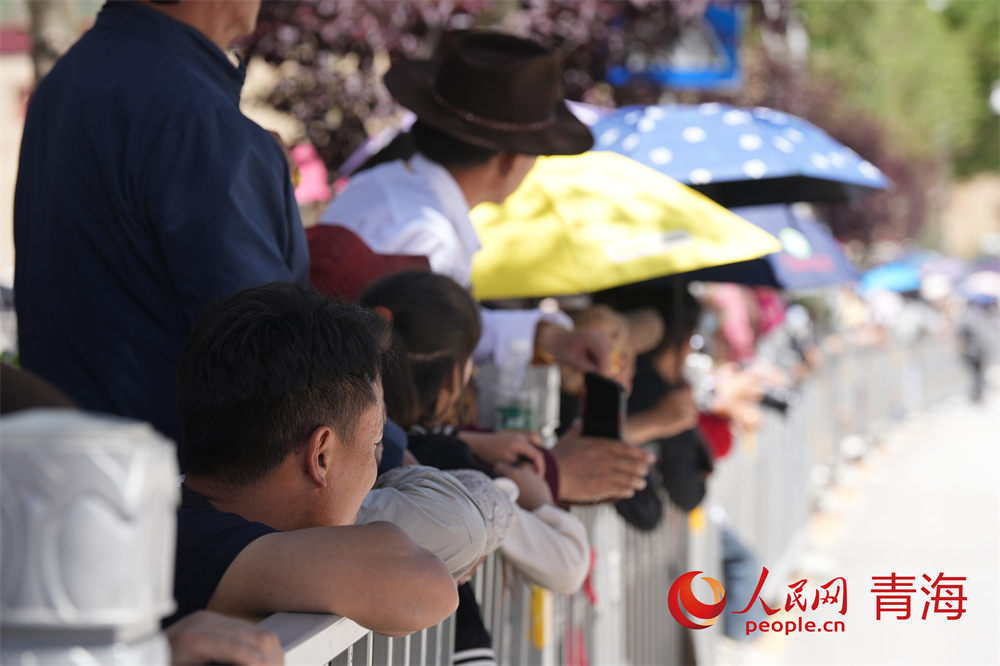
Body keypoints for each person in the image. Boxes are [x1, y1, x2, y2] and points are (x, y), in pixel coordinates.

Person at [13, 0, 307, 446]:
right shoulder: (194, 114)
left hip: (78, 457)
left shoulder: (74, 74)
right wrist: (388, 448)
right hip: (168, 466)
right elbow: (272, 356)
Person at [314, 30, 608, 376]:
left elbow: (443, 324)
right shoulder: (428, 235)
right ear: (511, 161)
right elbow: (420, 349)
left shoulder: (380, 182)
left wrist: (545, 337)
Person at [169, 282, 458, 635]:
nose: (376, 468)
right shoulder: (193, 544)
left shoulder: (176, 523)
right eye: (374, 444)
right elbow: (427, 586)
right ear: (320, 456)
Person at [360, 272, 590, 666]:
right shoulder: (449, 466)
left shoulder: (363, 451)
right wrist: (540, 500)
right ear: (455, 375)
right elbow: (568, 564)